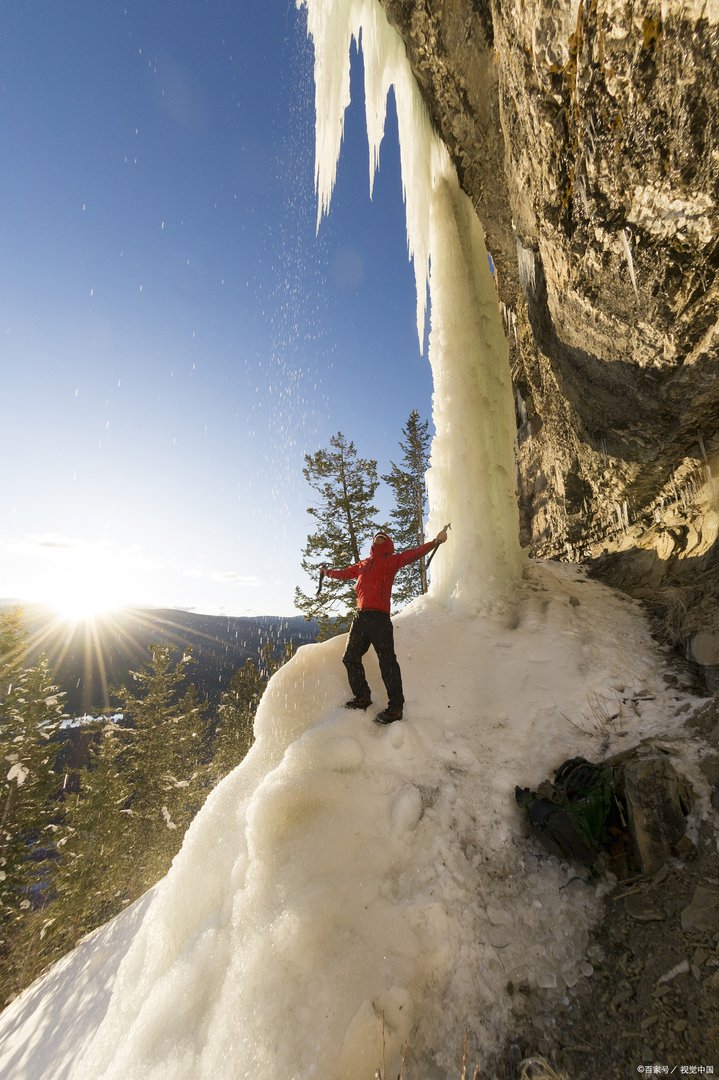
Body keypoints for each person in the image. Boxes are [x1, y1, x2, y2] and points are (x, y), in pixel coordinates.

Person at [321, 527, 448, 724]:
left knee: (387, 662)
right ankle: (362, 697)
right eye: (376, 537)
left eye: (383, 537)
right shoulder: (364, 564)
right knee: (350, 657)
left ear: (387, 543)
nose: (379, 539)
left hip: (380, 619)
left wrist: (435, 542)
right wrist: (327, 572)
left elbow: (413, 554)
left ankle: (395, 708)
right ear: (373, 543)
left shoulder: (392, 560)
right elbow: (344, 574)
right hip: (360, 618)